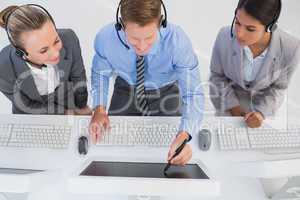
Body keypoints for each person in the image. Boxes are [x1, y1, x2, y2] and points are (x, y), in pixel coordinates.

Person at [89, 0, 204, 165]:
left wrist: (185, 135)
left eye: (149, 38)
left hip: (167, 91)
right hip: (125, 89)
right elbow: (100, 74)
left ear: (161, 23)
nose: (142, 47)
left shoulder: (177, 41)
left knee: (168, 150)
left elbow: (193, 93)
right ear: (121, 24)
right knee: (112, 151)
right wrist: (99, 109)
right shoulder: (106, 38)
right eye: (134, 39)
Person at [209, 0, 300, 128]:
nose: (239, 33)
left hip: (265, 110)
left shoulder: (291, 48)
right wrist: (233, 106)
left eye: (250, 29)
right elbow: (217, 76)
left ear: (271, 27)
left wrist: (260, 113)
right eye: (237, 22)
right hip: (230, 103)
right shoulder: (224, 36)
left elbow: (278, 88)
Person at [0, 4, 91, 115]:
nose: (55, 53)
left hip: (67, 100)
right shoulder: (3, 67)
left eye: (56, 41)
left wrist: (81, 107)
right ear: (22, 53)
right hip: (32, 112)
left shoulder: (69, 38)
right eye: (43, 50)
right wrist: (65, 113)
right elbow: (26, 105)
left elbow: (78, 76)